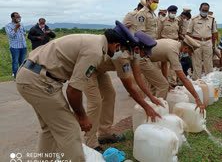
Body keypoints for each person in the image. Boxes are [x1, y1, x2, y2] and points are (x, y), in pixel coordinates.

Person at [15, 21, 158, 161]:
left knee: (50, 130)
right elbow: (73, 90)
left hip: (31, 76)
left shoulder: (95, 42)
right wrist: (82, 116)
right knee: (69, 129)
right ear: (116, 45)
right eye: (122, 49)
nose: (120, 53)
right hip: (40, 82)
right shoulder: (94, 51)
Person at [83, 22, 162, 152]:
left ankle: (104, 133)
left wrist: (151, 97)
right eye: (145, 52)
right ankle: (90, 142)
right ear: (138, 48)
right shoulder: (123, 57)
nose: (146, 55)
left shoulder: (133, 52)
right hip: (89, 70)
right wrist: (146, 107)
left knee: (110, 95)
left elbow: (138, 78)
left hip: (100, 70)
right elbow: (130, 87)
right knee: (95, 102)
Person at [136, 32, 205, 112]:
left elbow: (163, 64)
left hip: (147, 57)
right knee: (162, 86)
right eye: (188, 52)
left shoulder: (175, 44)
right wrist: (197, 98)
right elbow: (183, 78)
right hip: (143, 58)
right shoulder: (173, 51)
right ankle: (157, 111)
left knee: (161, 84)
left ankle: (153, 107)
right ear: (186, 48)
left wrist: (166, 81)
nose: (187, 54)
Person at [187, 3, 216, 80]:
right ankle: (197, 82)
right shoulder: (193, 19)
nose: (204, 12)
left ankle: (210, 81)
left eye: (206, 10)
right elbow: (188, 33)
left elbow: (214, 33)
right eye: (203, 10)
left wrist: (213, 45)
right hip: (196, 43)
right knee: (197, 63)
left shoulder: (212, 19)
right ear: (199, 10)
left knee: (208, 63)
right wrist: (190, 46)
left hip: (208, 42)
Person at [5, 12, 27, 78]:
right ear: (13, 18)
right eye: (17, 17)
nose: (19, 18)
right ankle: (16, 76)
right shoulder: (8, 25)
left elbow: (24, 33)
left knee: (22, 62)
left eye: (19, 17)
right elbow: (11, 35)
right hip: (15, 47)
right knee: (15, 62)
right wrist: (16, 27)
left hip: (23, 46)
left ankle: (22, 76)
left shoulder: (21, 24)